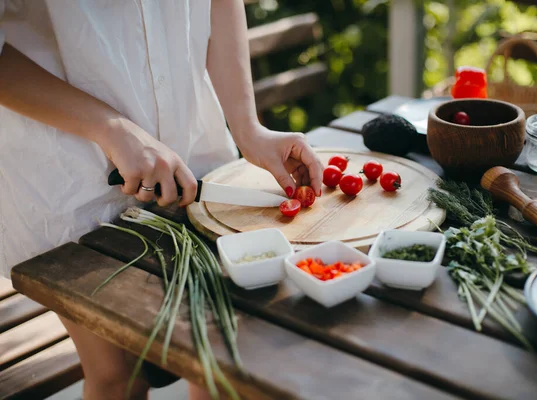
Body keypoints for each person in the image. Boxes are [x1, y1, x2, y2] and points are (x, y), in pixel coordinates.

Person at [0, 1, 324, 399]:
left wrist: (247, 126)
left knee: (217, 354)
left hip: (192, 149)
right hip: (69, 171)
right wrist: (112, 129)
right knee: (118, 373)